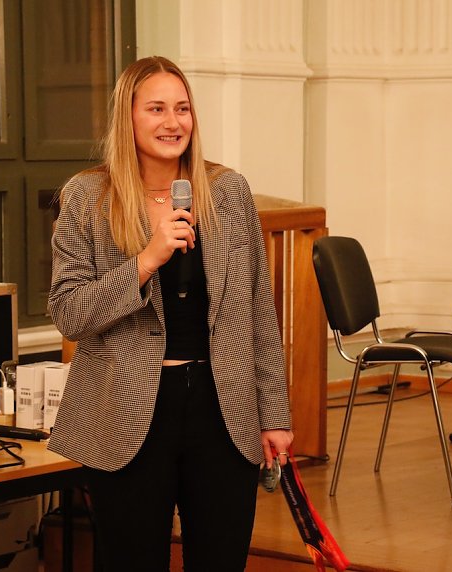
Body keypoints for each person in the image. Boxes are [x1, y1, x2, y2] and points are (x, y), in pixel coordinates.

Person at [47, 56, 293, 571]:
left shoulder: (227, 192)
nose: (173, 122)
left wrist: (275, 415)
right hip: (126, 416)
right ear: (128, 117)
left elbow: (259, 315)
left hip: (222, 411)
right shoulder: (87, 196)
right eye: (156, 108)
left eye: (182, 109)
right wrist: (145, 261)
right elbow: (69, 313)